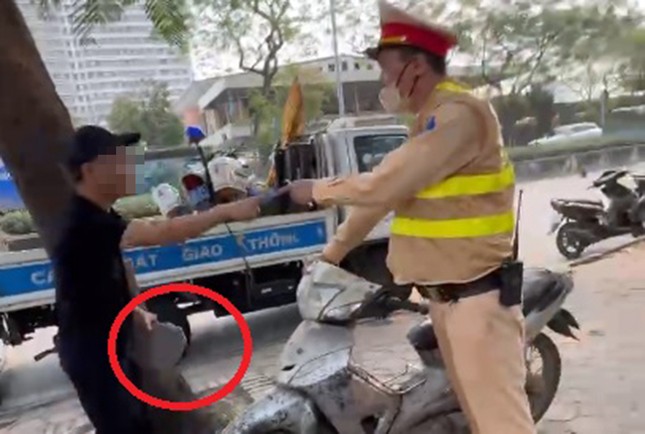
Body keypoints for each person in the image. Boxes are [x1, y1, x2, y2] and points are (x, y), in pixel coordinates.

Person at [287, 1, 536, 433]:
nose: (383, 82)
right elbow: (384, 199)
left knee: (502, 425)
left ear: (416, 68)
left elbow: (382, 185)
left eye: (387, 70)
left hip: (477, 303)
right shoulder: (428, 122)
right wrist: (331, 255)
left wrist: (315, 191)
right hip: (447, 303)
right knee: (480, 421)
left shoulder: (459, 116)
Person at [52, 125, 261, 434]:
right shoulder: (87, 221)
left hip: (108, 346)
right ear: (91, 169)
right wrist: (226, 211)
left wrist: (134, 309)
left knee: (137, 422)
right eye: (119, 161)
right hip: (94, 356)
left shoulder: (99, 217)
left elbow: (92, 281)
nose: (128, 168)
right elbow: (164, 232)